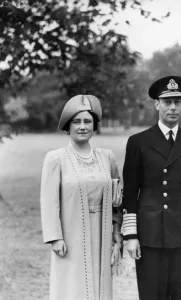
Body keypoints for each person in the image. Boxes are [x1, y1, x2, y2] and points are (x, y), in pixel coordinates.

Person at [122, 76, 181, 300]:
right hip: (150, 233)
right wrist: (131, 235)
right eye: (167, 102)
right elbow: (130, 191)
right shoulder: (138, 142)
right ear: (156, 104)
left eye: (177, 102)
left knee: (175, 292)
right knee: (151, 293)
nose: (173, 107)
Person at [40, 95, 122, 300]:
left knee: (99, 286)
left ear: (94, 126)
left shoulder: (107, 157)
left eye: (87, 121)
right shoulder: (56, 158)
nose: (82, 126)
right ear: (68, 126)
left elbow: (117, 200)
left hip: (102, 234)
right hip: (70, 235)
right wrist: (55, 237)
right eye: (76, 121)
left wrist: (117, 232)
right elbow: (49, 201)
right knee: (72, 286)